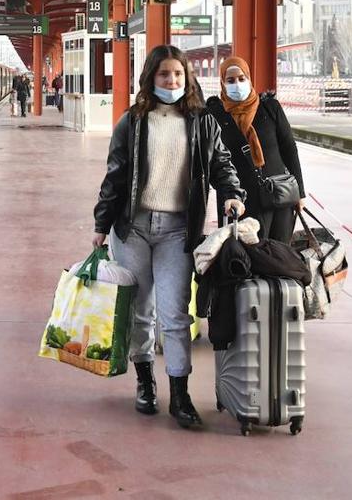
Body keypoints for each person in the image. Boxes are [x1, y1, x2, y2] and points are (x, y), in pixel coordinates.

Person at [92, 44, 245, 430]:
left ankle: (180, 395)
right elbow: (116, 176)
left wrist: (232, 195)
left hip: (179, 230)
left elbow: (222, 164)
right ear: (151, 78)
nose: (172, 80)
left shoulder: (202, 121)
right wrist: (100, 224)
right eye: (164, 74)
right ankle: (145, 383)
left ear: (187, 77)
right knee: (140, 311)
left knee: (176, 315)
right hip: (133, 229)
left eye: (178, 74)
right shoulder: (133, 121)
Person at [204, 56, 305, 244]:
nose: (237, 84)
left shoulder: (270, 107)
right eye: (230, 80)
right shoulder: (215, 115)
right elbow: (210, 160)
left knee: (280, 253)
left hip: (279, 196)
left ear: (249, 79)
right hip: (238, 202)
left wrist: (300, 192)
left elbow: (289, 149)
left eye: (242, 79)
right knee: (244, 258)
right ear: (222, 83)